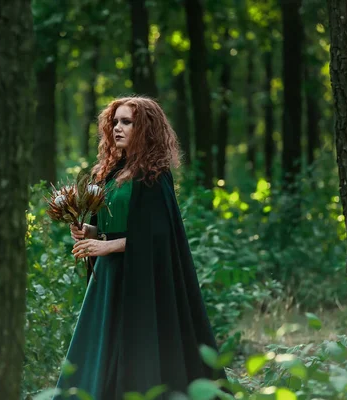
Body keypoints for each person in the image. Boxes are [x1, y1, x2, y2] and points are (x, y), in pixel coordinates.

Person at [54, 97, 227, 399]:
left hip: (140, 278)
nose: (117, 128)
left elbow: (158, 236)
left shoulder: (153, 176)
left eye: (126, 122)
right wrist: (88, 232)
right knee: (99, 349)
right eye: (115, 122)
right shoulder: (109, 173)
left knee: (136, 349)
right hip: (107, 280)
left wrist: (106, 247)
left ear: (145, 128)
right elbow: (109, 226)